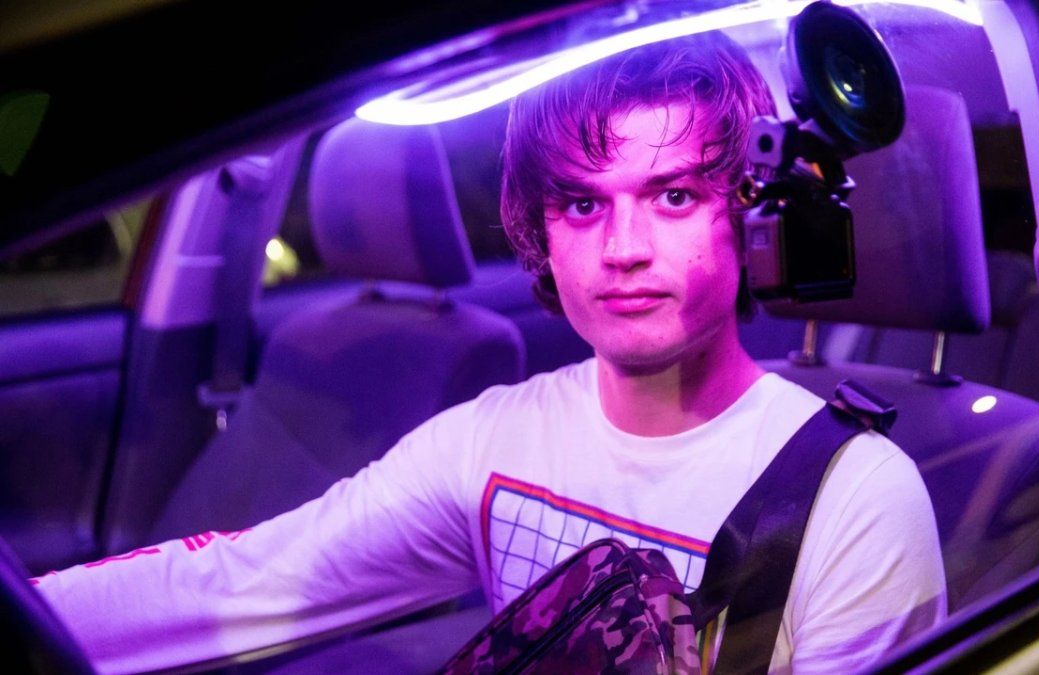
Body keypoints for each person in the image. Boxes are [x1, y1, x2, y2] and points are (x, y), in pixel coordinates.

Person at [32, 30, 946, 674]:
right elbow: (243, 580)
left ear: (746, 212)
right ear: (542, 229)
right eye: (582, 204)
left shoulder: (857, 498)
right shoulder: (493, 441)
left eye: (672, 196)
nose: (622, 248)